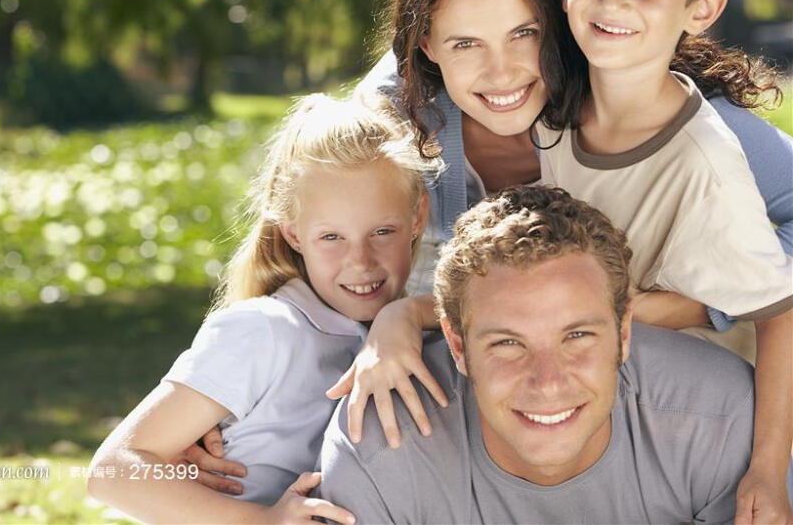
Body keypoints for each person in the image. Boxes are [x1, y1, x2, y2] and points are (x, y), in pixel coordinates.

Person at [326, 0, 792, 519]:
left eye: (526, 33)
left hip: (670, 389)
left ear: (566, 15)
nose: (501, 72)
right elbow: (309, 232)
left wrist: (695, 305)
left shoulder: (651, 108)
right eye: (465, 43)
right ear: (428, 44)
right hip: (517, 386)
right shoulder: (396, 108)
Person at [535, 0, 792, 521]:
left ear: (701, 8)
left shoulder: (703, 160)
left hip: (689, 425)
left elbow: (779, 311)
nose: (613, 0)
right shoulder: (550, 115)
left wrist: (768, 470)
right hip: (594, 399)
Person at [319, 185, 792, 524]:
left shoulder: (721, 420)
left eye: (578, 336)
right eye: (507, 343)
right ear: (458, 346)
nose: (548, 382)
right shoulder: (380, 451)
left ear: (624, 332)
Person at [86, 93, 437, 523]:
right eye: (331, 237)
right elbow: (113, 470)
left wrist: (411, 313)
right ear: (292, 233)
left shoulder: (401, 334)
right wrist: (263, 520)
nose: (360, 261)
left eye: (382, 231)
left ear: (418, 216)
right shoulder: (264, 329)